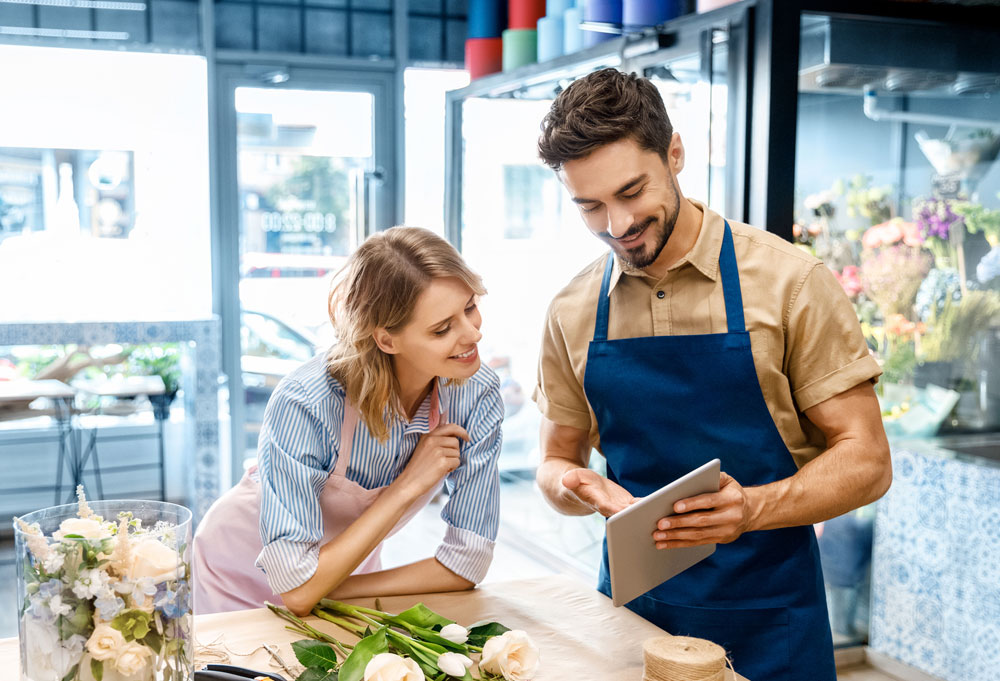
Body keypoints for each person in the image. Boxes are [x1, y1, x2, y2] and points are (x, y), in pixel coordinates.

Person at [532, 68, 892, 681]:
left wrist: (751, 508)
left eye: (631, 192)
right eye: (589, 206)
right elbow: (554, 463)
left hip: (770, 619)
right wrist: (580, 486)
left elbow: (868, 461)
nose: (616, 226)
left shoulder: (790, 284)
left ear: (674, 153)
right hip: (632, 618)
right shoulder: (571, 310)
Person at [193, 227, 505, 616]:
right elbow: (297, 587)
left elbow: (467, 562)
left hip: (340, 575)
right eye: (442, 328)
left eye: (470, 307)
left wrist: (327, 586)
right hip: (234, 569)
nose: (473, 333)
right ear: (387, 340)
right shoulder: (306, 402)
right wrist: (407, 485)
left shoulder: (475, 393)